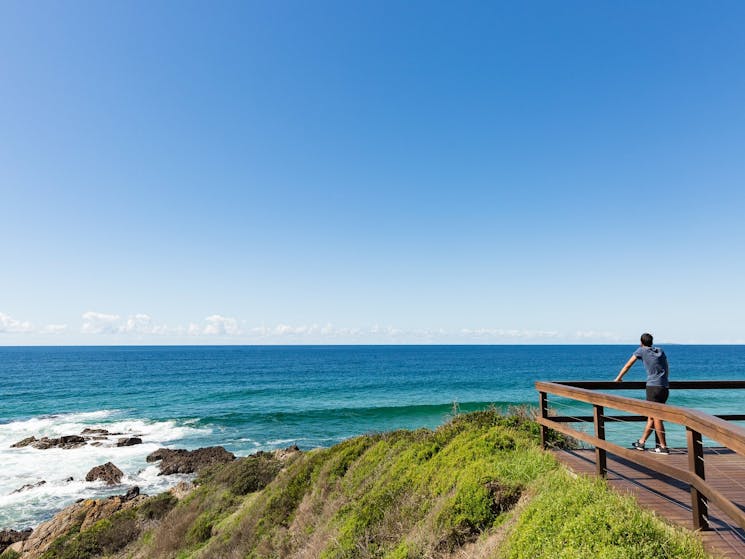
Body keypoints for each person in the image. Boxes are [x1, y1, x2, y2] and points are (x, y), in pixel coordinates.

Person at [614, 332, 670, 454]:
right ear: (651, 341)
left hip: (653, 387)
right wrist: (664, 380)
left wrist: (618, 378)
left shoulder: (641, 350)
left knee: (656, 417)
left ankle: (663, 447)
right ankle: (641, 442)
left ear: (641, 342)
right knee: (652, 416)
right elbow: (667, 367)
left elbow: (628, 365)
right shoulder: (660, 351)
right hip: (664, 387)